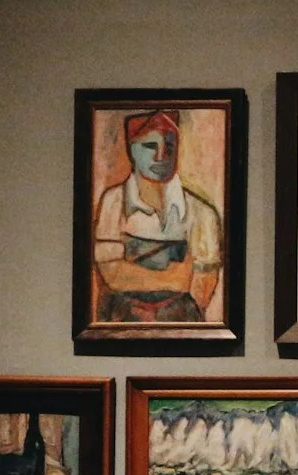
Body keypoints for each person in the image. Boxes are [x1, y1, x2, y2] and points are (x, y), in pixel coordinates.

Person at [91, 109, 225, 324]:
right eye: (150, 146)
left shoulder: (202, 212)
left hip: (181, 325)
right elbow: (112, 275)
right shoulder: (114, 202)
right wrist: (179, 276)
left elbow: (203, 285)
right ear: (131, 149)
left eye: (169, 146)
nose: (161, 156)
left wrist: (132, 272)